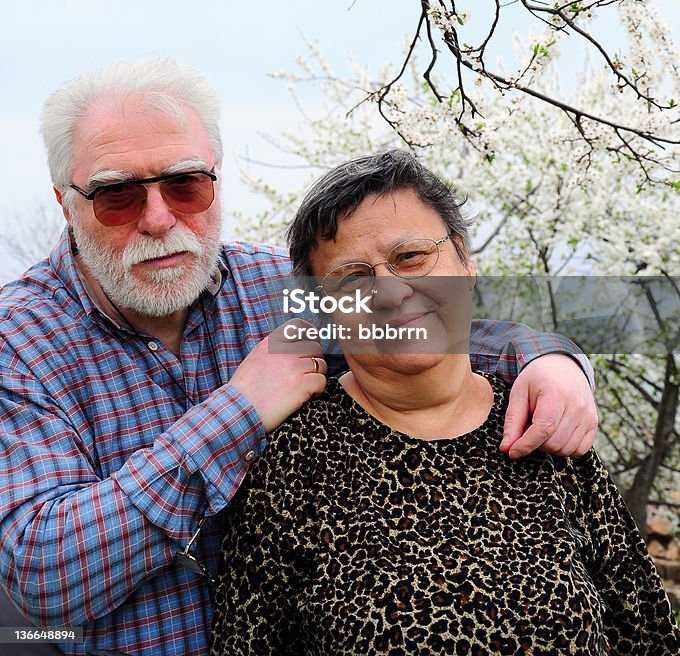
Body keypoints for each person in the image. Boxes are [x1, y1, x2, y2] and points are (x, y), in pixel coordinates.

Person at [0, 59, 598, 656]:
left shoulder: (271, 287)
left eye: (186, 184)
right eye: (117, 195)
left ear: (217, 177)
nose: (159, 220)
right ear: (64, 201)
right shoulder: (19, 340)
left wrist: (546, 360)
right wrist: (238, 413)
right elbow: (45, 577)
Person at [211, 150, 680, 656]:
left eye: (411, 257)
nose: (390, 292)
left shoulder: (543, 424)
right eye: (352, 279)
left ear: (465, 261)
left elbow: (646, 632)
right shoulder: (292, 463)